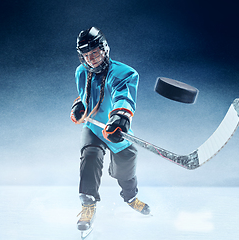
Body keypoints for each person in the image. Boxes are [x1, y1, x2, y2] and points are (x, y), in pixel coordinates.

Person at [70, 26, 150, 232]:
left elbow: (123, 96)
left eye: (94, 53)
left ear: (104, 49)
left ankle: (131, 197)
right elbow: (86, 95)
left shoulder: (124, 73)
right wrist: (79, 106)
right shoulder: (81, 72)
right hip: (94, 127)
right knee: (90, 155)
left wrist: (120, 118)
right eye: (86, 55)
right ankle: (88, 205)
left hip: (115, 128)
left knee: (127, 163)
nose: (91, 58)